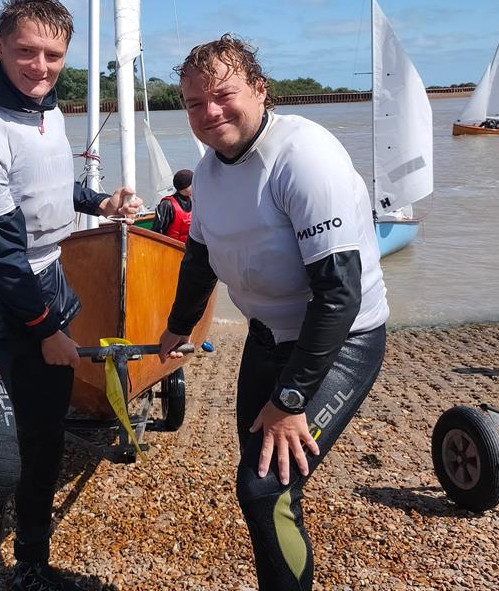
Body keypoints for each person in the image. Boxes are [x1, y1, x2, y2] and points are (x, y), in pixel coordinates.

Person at [158, 34, 388, 591]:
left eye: (223, 95)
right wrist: (176, 327)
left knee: (264, 488)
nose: (209, 112)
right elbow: (202, 255)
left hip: (341, 340)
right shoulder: (209, 170)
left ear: (261, 91)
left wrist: (291, 401)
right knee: (264, 485)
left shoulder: (304, 157)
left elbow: (339, 295)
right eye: (193, 103)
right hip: (267, 338)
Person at [0, 0, 142, 591]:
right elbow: (0, 254)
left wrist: (99, 201)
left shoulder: (47, 112)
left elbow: (50, 183)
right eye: (26, 51)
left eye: (53, 55)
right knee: (0, 463)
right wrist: (47, 331)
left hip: (48, 283)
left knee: (46, 440)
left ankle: (32, 565)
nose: (40, 66)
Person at [152, 168, 193, 242]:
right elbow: (157, 230)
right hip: (172, 248)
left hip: (189, 249)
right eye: (192, 183)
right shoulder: (167, 205)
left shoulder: (194, 202)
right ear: (184, 187)